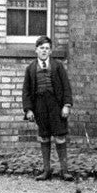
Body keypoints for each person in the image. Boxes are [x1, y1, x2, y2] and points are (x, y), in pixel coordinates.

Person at [22, 35, 74, 181]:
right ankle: (46, 171)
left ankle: (65, 171)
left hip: (56, 106)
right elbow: (26, 91)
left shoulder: (58, 66)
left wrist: (66, 105)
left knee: (60, 136)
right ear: (36, 50)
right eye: (41, 48)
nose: (44, 51)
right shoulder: (30, 69)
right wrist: (29, 109)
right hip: (40, 106)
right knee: (44, 137)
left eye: (47, 48)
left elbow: (66, 87)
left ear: (50, 51)